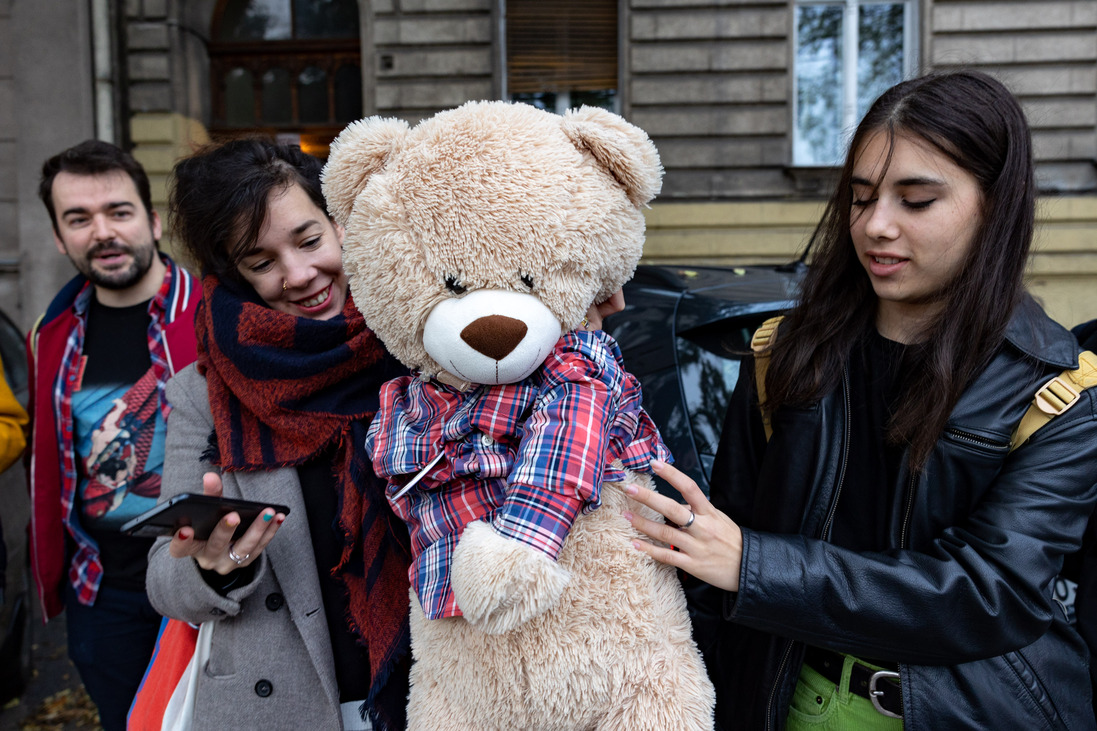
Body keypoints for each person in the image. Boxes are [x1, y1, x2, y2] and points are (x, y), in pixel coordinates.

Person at [624, 70, 1097, 730]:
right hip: (785, 702)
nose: (876, 225)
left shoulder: (1057, 392)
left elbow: (989, 596)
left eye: (916, 200)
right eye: (860, 196)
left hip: (978, 713)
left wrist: (757, 565)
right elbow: (711, 568)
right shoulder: (780, 355)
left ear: (993, 204)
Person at [144, 138, 412, 730]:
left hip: (434, 691)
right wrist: (218, 567)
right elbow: (165, 580)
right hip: (281, 707)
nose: (299, 275)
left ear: (341, 223)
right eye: (261, 262)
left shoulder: (421, 347)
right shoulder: (203, 391)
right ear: (234, 276)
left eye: (309, 240)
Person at [28, 139, 201, 730]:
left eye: (118, 212)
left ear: (151, 221)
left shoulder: (212, 314)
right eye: (79, 218)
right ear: (59, 235)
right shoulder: (51, 334)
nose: (102, 231)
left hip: (200, 580)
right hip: (103, 592)